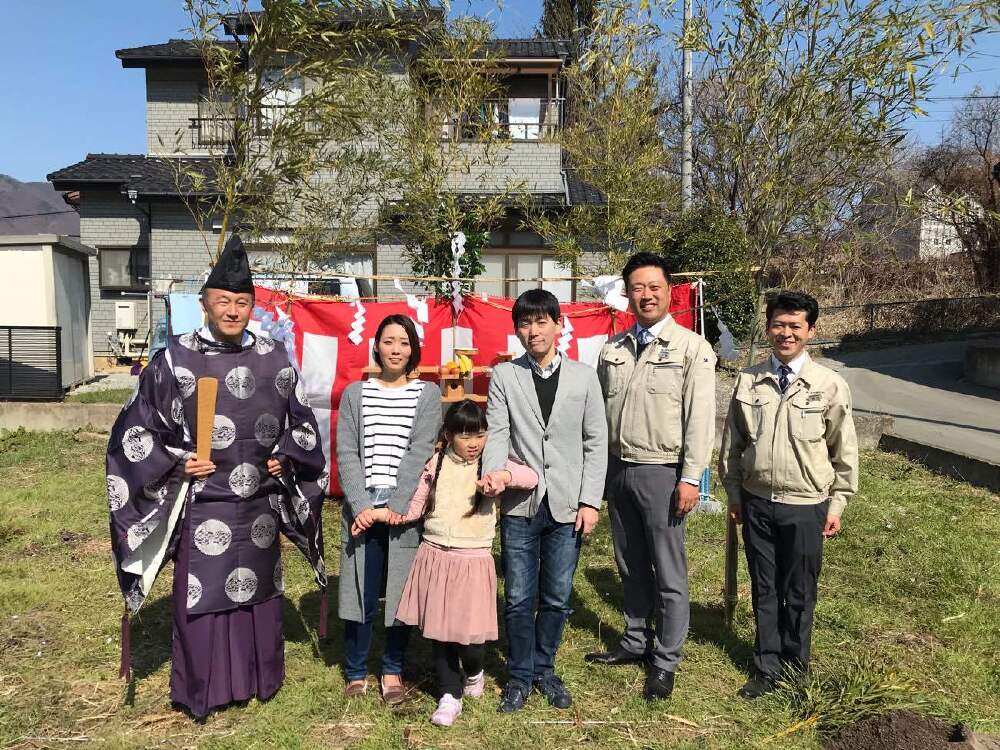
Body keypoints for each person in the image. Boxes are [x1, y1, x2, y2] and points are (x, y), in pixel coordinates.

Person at [106, 233, 327, 719]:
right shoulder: (174, 359)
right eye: (223, 300)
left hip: (260, 504)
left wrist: (286, 456)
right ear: (204, 303)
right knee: (201, 596)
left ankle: (259, 679)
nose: (232, 310)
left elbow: (303, 424)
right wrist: (176, 461)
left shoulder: (276, 357)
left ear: (254, 306)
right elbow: (134, 433)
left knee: (261, 592)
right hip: (202, 501)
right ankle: (204, 689)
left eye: (242, 302)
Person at [351, 400, 538, 727]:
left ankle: (475, 671)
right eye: (465, 436)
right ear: (449, 435)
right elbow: (412, 509)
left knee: (470, 639)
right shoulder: (435, 464)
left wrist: (503, 476)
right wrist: (378, 514)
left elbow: (531, 477)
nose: (473, 443)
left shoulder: (491, 465)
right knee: (440, 633)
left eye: (480, 435)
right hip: (435, 556)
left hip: (473, 560)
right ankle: (450, 695)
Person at [587, 251, 717, 701]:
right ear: (627, 294)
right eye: (637, 288)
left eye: (654, 287)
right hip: (619, 469)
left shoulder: (691, 349)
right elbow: (600, 416)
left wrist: (691, 478)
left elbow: (700, 420)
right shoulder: (613, 349)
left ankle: (665, 661)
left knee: (669, 571)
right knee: (629, 563)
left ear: (668, 292)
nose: (646, 295)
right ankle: (635, 640)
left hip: (663, 471)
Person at [719, 291, 858, 699]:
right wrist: (733, 494)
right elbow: (732, 445)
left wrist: (838, 501)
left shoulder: (829, 385)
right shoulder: (749, 381)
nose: (786, 333)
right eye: (779, 324)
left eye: (795, 326)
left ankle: (796, 667)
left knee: (798, 590)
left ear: (810, 331)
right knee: (765, 587)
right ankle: (766, 665)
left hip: (805, 505)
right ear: (768, 328)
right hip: (757, 500)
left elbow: (843, 449)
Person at [481, 288, 608, 713]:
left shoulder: (583, 377)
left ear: (558, 324)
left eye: (540, 321)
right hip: (521, 504)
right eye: (524, 323)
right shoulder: (505, 376)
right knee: (518, 596)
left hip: (569, 503)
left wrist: (590, 501)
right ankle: (518, 676)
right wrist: (494, 476)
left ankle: (544, 669)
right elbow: (497, 433)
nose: (532, 331)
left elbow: (596, 441)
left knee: (556, 596)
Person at [335, 313, 442, 703]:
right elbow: (347, 452)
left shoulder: (426, 394)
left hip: (405, 511)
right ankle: (355, 669)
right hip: (362, 510)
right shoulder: (355, 394)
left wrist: (398, 504)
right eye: (389, 341)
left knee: (400, 593)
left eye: (404, 342)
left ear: (413, 349)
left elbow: (421, 449)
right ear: (376, 345)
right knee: (359, 590)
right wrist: (361, 505)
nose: (396, 349)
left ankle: (393, 669)